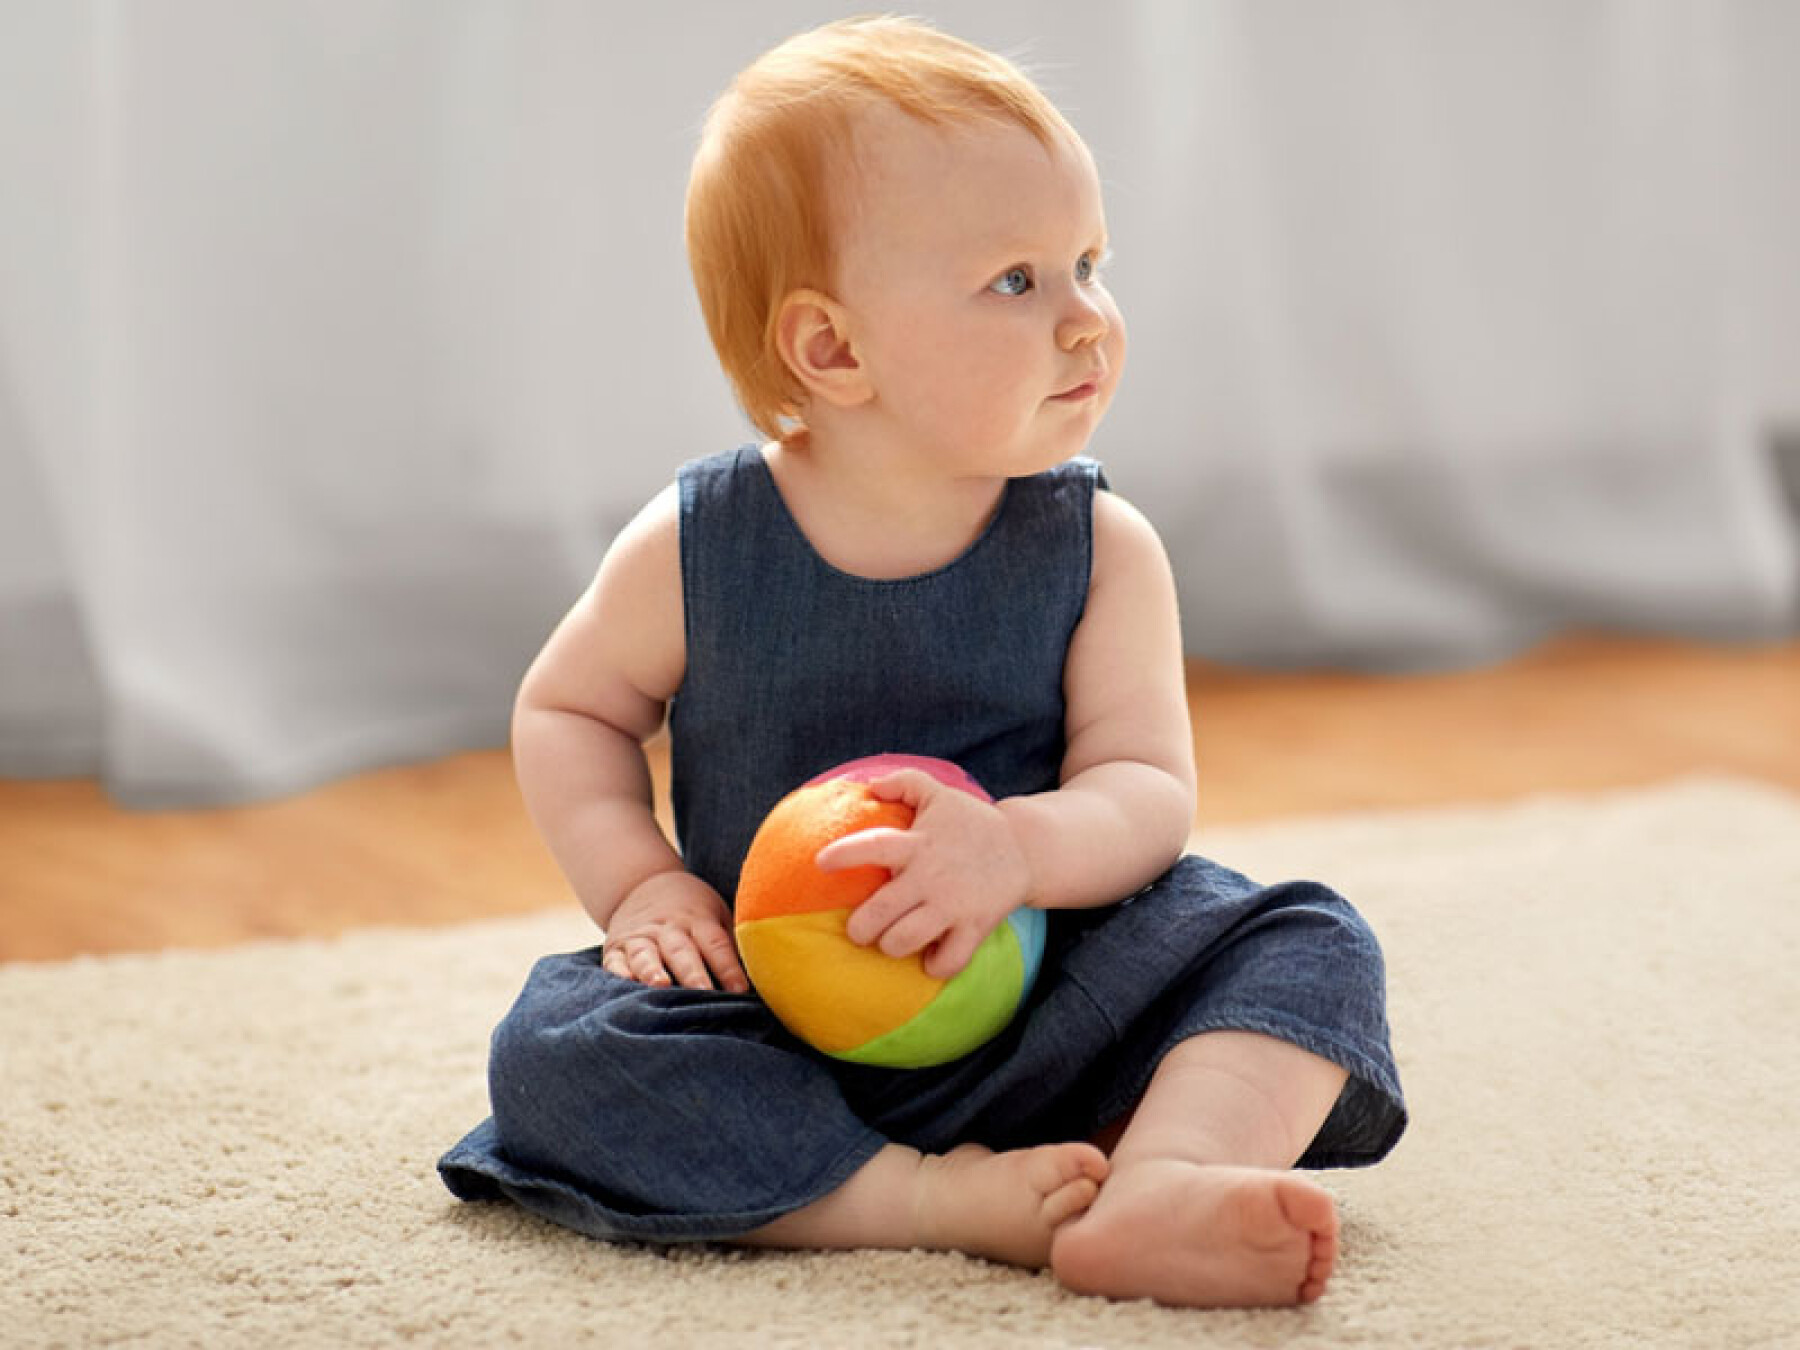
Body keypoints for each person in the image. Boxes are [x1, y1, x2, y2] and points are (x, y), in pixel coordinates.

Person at [440, 16, 1405, 1308]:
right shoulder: (697, 544)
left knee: (1307, 938)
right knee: (554, 1050)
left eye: (1088, 263)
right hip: (773, 1011)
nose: (1087, 322)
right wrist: (644, 891)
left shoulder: (1100, 548)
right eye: (1018, 281)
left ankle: (1164, 1177)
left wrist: (1012, 849)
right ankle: (902, 1193)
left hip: (1054, 993)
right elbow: (567, 708)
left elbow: (1144, 792)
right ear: (832, 349)